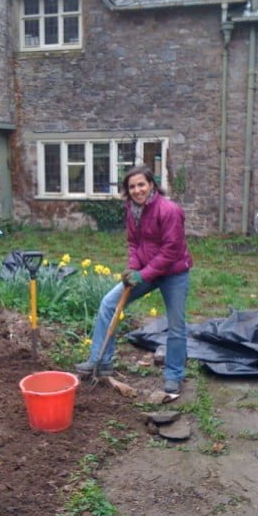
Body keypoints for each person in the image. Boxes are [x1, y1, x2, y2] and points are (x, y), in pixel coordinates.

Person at [76, 164, 193, 394]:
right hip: (146, 270)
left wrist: (144, 273)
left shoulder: (169, 210)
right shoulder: (132, 210)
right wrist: (132, 270)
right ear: (127, 191)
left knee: (176, 325)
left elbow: (171, 251)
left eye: (141, 184)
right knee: (109, 303)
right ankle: (101, 360)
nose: (137, 190)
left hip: (174, 273)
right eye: (132, 187)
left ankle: (174, 375)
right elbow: (134, 243)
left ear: (151, 185)